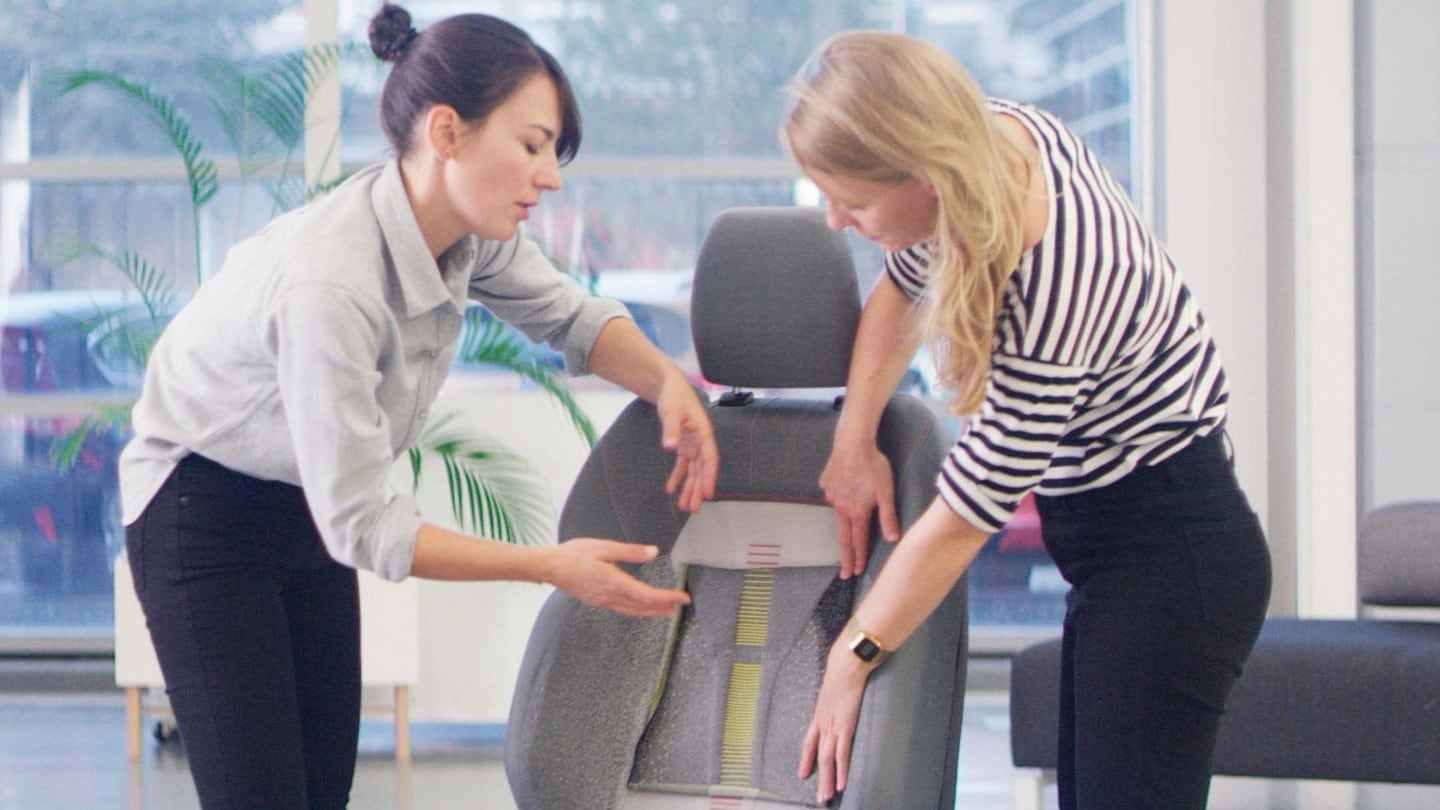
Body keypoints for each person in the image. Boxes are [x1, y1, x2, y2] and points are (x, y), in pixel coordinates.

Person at [118, 5, 717, 808]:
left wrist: (669, 384)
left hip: (305, 504)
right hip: (201, 506)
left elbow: (570, 315)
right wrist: (550, 565)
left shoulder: (467, 232)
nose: (552, 176)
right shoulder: (332, 283)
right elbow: (367, 524)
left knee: (320, 791)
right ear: (447, 133)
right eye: (533, 146)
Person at [780, 31, 1272, 809]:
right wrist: (853, 439)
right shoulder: (989, 143)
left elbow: (972, 511)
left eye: (854, 199)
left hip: (1171, 554)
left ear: (924, 174)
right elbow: (904, 286)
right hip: (1119, 549)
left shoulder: (1061, 271)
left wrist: (853, 655)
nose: (836, 220)